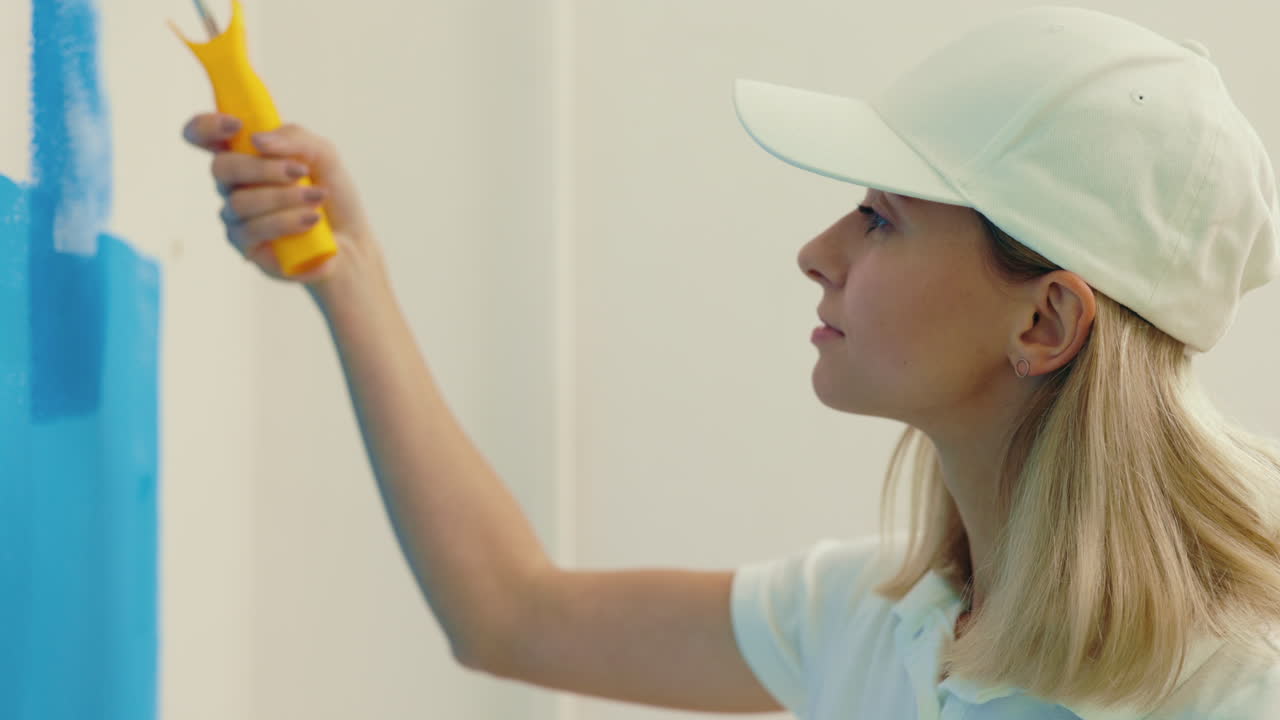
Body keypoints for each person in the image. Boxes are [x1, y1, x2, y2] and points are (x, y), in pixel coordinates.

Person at [181, 5, 1280, 719]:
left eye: (881, 220)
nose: (817, 255)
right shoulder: (873, 623)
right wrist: (350, 272)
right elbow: (507, 613)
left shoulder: (1233, 690)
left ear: (1043, 323)